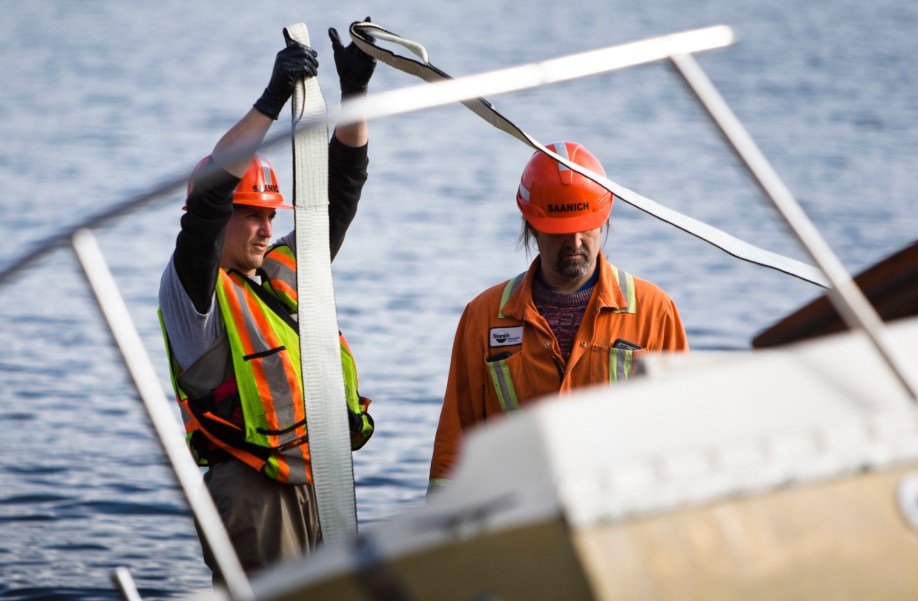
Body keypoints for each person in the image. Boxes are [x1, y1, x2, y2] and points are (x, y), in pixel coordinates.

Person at [158, 26, 376, 580]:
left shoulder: (280, 275)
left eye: (270, 215)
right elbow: (207, 205)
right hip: (253, 494)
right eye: (251, 213)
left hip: (318, 486)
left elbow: (341, 190)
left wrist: (354, 95)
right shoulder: (193, 294)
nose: (265, 228)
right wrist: (271, 101)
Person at [428, 142, 688, 493]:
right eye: (561, 229)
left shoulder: (654, 311)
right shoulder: (485, 317)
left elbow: (683, 436)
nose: (576, 241)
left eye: (586, 227)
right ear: (532, 226)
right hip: (521, 523)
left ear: (605, 220)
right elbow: (455, 445)